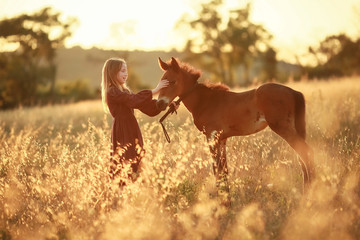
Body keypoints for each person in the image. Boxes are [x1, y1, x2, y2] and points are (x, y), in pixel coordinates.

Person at [101, 57, 176, 186]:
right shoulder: (112, 91)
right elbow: (135, 100)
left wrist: (166, 103)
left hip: (131, 129)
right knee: (125, 162)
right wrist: (154, 90)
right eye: (122, 71)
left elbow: (145, 107)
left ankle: (133, 191)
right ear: (113, 73)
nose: (126, 74)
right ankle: (121, 193)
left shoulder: (125, 92)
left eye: (126, 71)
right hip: (122, 131)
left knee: (135, 161)